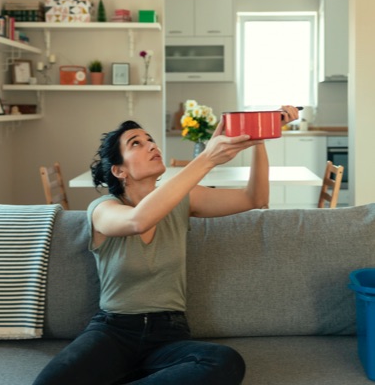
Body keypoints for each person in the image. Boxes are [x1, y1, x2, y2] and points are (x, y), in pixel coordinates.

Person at [33, 106, 300, 385]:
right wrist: (206, 159)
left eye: (150, 140)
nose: (151, 145)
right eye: (136, 143)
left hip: (168, 334)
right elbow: (139, 221)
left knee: (224, 362)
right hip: (113, 331)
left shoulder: (183, 200)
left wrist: (259, 139)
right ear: (119, 170)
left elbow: (255, 198)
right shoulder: (103, 209)